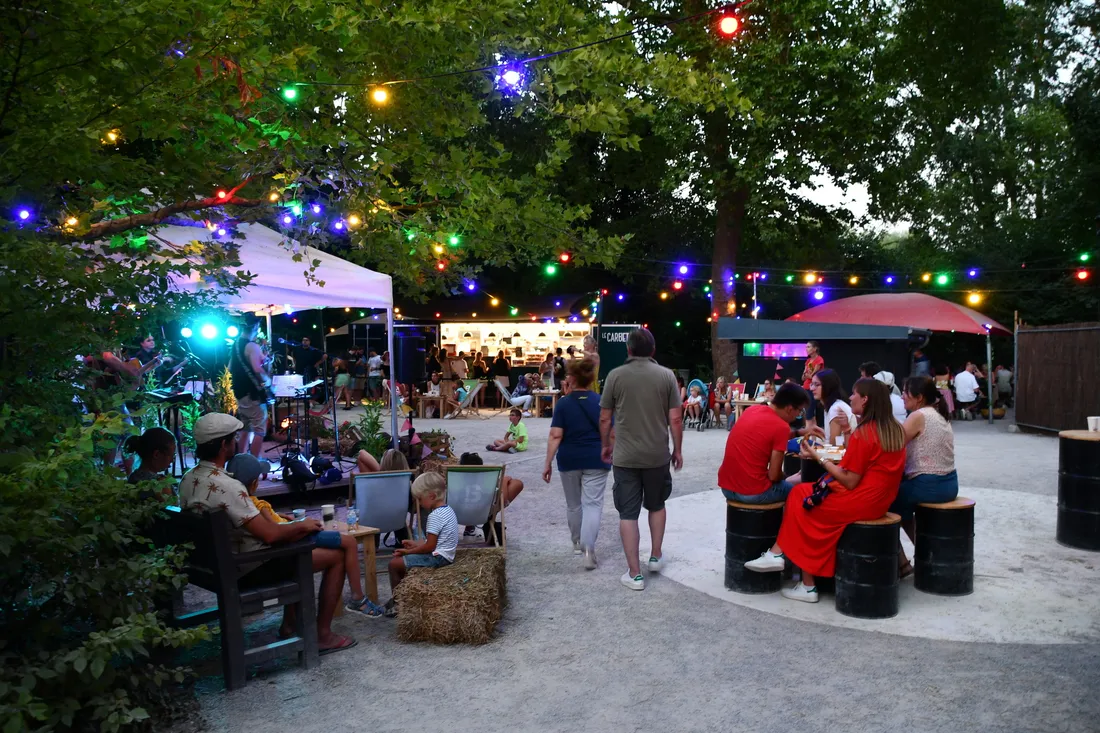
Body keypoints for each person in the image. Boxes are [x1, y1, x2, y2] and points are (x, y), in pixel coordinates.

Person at [178, 414, 355, 653]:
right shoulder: (228, 487)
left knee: (297, 545)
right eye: (233, 439)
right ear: (223, 445)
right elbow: (270, 535)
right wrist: (302, 525)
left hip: (210, 567)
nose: (236, 442)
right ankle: (322, 635)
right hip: (246, 568)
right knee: (335, 556)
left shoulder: (189, 479)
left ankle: (290, 624)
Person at [744, 379, 906, 604]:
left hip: (861, 501)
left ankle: (804, 581)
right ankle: (780, 557)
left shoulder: (866, 432)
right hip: (880, 500)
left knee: (802, 499)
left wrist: (819, 458)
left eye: (854, 394)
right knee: (804, 493)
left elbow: (849, 480)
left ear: (865, 400)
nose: (850, 397)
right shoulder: (894, 430)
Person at [227, 452, 382, 616]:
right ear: (255, 483)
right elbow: (276, 529)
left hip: (289, 536)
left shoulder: (244, 504)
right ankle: (357, 597)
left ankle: (353, 598)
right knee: (349, 542)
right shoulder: (259, 505)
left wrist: (282, 516)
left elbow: (269, 522)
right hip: (296, 536)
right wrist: (301, 525)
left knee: (336, 541)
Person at [599, 327, 683, 591]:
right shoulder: (666, 376)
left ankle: (635, 574)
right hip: (657, 455)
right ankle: (655, 556)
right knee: (657, 505)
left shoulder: (615, 376)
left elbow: (604, 418)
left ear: (629, 349)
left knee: (628, 513)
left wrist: (606, 445)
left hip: (625, 456)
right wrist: (677, 449)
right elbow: (676, 418)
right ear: (653, 350)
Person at [542, 358, 611, 569]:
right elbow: (611, 431)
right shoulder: (600, 401)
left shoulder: (563, 404)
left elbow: (555, 435)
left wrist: (547, 463)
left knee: (573, 504)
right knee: (593, 505)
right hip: (596, 458)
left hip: (569, 458)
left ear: (572, 378)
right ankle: (589, 549)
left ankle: (577, 542)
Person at [892, 376, 958, 577]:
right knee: (901, 507)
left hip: (928, 484)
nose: (902, 396)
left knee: (880, 504)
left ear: (919, 397)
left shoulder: (918, 416)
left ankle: (905, 562)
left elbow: (893, 446)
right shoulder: (939, 413)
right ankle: (927, 552)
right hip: (949, 483)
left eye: (905, 392)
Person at [380, 472, 459, 618]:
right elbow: (434, 541)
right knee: (403, 562)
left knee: (394, 564)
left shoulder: (434, 516)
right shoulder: (448, 510)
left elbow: (430, 547)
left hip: (438, 558)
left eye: (420, 499)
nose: (419, 503)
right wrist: (415, 544)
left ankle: (398, 603)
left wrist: (408, 552)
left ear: (432, 496)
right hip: (446, 554)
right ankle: (406, 596)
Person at [718, 382, 811, 504]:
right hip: (752, 492)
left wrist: (798, 432)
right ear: (789, 409)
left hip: (726, 487)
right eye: (800, 411)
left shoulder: (752, 410)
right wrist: (787, 478)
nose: (799, 415)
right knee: (800, 492)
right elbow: (774, 476)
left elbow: (768, 435)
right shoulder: (781, 427)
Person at [229, 316, 272, 458]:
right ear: (254, 327)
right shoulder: (252, 346)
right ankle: (254, 463)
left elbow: (230, 367)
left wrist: (262, 358)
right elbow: (257, 369)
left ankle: (241, 461)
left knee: (245, 428)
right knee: (260, 430)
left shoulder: (236, 345)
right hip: (252, 394)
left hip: (240, 393)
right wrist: (269, 383)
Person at [459, 452, 524, 540]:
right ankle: (490, 520)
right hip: (483, 515)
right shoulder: (487, 480)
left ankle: (469, 527)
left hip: (458, 515)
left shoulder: (455, 479)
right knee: (517, 484)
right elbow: (503, 500)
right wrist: (504, 481)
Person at [124, 426, 177, 496]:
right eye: (172, 455)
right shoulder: (161, 485)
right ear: (157, 454)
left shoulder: (132, 477)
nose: (172, 460)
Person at [810, 369, 854, 445]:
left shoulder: (835, 408)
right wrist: (823, 433)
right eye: (812, 384)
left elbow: (833, 446)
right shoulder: (831, 406)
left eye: (817, 385)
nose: (812, 388)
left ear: (828, 386)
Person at [801, 341, 825, 423]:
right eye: (806, 347)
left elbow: (813, 376)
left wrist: (808, 375)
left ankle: (808, 429)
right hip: (806, 387)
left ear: (815, 349)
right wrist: (806, 375)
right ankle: (812, 430)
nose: (806, 349)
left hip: (813, 388)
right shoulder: (808, 361)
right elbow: (803, 378)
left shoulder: (819, 359)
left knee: (810, 411)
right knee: (808, 411)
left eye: (808, 347)